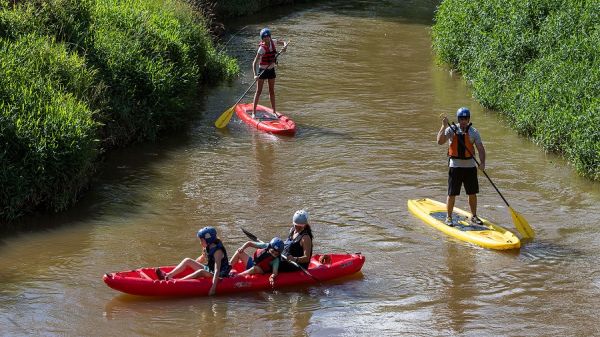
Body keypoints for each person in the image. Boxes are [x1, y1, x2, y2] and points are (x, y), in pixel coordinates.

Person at [437, 107, 486, 226]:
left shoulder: (474, 132)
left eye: (466, 118)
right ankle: (448, 217)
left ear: (469, 119)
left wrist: (482, 163)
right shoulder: (451, 129)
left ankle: (474, 216)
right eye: (461, 119)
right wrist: (443, 126)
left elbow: (480, 148)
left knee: (472, 193)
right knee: (452, 193)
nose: (464, 121)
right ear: (458, 119)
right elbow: (440, 141)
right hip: (455, 167)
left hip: (470, 167)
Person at [155, 226, 231, 296]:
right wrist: (191, 264)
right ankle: (168, 276)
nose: (200, 242)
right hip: (210, 269)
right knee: (187, 260)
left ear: (208, 240)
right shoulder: (207, 246)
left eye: (202, 240)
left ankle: (177, 282)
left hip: (220, 275)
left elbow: (217, 270)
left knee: (200, 272)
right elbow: (201, 258)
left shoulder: (218, 251)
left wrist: (213, 288)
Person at [251, 27, 288, 119]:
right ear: (262, 38)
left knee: (272, 91)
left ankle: (274, 112)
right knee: (258, 91)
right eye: (265, 37)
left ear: (270, 37)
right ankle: (253, 112)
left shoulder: (273, 41)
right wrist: (255, 75)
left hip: (271, 70)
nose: (267, 38)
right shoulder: (261, 49)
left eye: (268, 36)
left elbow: (284, 42)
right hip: (262, 71)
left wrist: (285, 47)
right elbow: (254, 62)